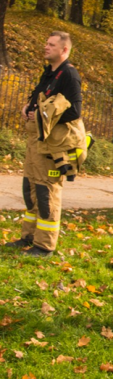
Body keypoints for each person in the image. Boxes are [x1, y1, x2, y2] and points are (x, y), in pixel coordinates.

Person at [5, 31, 83, 257]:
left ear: (64, 50)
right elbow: (39, 98)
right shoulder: (49, 73)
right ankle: (28, 237)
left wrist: (43, 115)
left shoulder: (69, 75)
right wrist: (28, 107)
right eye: (46, 43)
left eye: (51, 45)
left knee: (46, 192)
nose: (45, 47)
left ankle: (45, 245)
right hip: (36, 141)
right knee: (30, 189)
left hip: (52, 144)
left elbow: (75, 112)